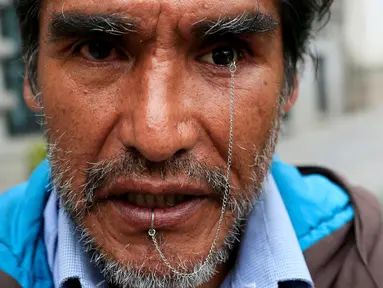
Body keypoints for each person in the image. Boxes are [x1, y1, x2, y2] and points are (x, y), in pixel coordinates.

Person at [0, 0, 382, 287]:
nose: (156, 138)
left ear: (290, 82)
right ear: (32, 77)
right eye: (98, 49)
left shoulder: (368, 261)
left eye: (223, 55)